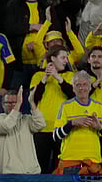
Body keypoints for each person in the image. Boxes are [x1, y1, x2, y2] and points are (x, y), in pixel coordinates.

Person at [54, 71, 102, 175]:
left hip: (93, 164)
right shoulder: (65, 106)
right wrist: (72, 123)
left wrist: (100, 127)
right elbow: (56, 136)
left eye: (85, 84)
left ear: (90, 87)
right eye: (78, 85)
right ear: (73, 88)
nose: (82, 88)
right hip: (70, 164)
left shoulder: (99, 107)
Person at [30, 45, 74, 174]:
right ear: (53, 58)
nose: (66, 60)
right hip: (42, 127)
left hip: (62, 128)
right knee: (40, 167)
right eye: (63, 57)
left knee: (60, 168)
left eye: (67, 57)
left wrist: (57, 77)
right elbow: (34, 98)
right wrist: (45, 78)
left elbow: (73, 94)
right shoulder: (38, 75)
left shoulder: (71, 75)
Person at [0, 87, 45, 174]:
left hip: (32, 172)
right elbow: (7, 125)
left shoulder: (26, 119)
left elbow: (41, 124)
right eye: (8, 103)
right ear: (2, 105)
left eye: (14, 103)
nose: (12, 105)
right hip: (10, 173)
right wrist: (18, 104)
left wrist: (31, 102)